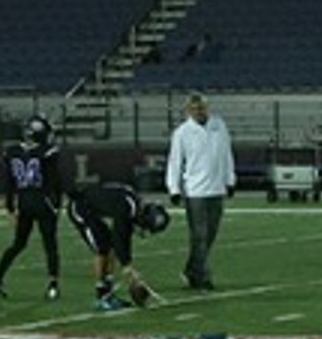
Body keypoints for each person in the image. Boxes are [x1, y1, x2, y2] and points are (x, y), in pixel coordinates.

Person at [0, 114, 65, 301]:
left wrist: (10, 207)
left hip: (23, 202)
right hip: (42, 201)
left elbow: (9, 182)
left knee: (18, 244)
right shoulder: (48, 152)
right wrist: (58, 204)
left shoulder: (13, 151)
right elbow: (55, 181)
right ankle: (53, 285)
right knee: (50, 244)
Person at [165, 92, 236, 291]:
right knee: (199, 235)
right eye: (195, 108)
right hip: (195, 191)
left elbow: (226, 153)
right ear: (188, 110)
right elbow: (175, 162)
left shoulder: (219, 125)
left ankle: (191, 270)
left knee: (210, 235)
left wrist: (230, 180)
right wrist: (174, 188)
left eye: (202, 107)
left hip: (217, 188)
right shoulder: (182, 133)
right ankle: (203, 275)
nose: (199, 111)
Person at [66, 180, 169, 310]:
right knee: (102, 250)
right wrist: (128, 268)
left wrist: (128, 264)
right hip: (81, 209)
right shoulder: (127, 207)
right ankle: (102, 297)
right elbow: (119, 237)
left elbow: (124, 238)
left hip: (92, 210)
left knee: (110, 248)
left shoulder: (132, 205)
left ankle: (107, 294)